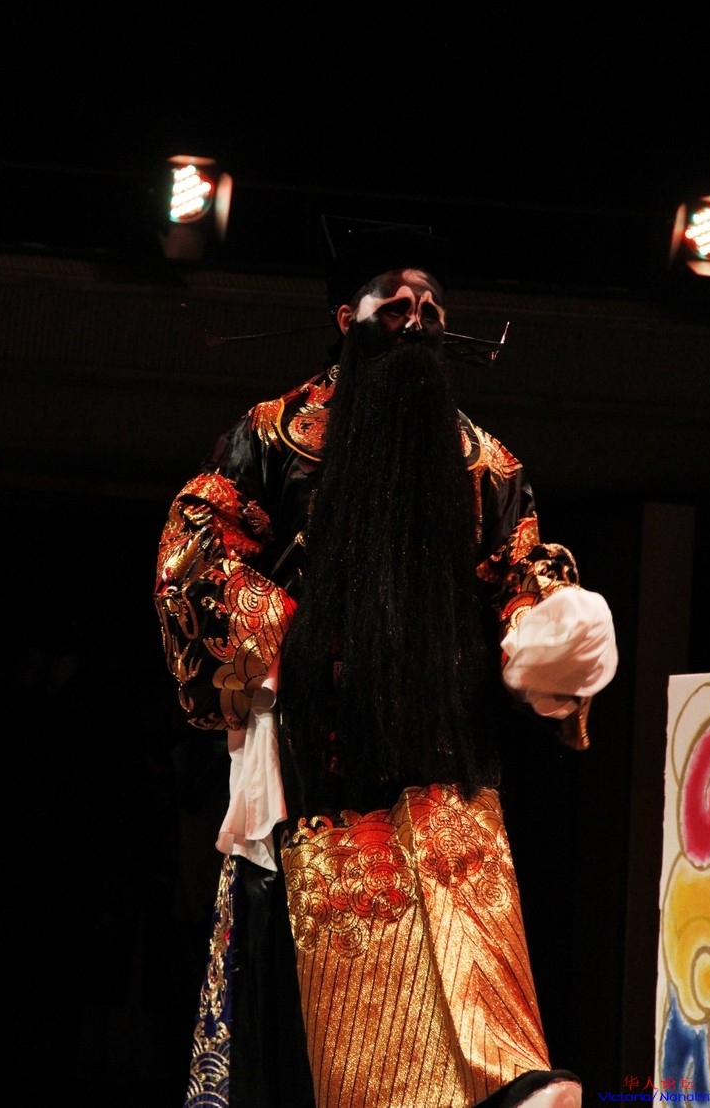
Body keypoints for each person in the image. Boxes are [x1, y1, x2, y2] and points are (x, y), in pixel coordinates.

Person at [154, 219, 618, 1108]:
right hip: (313, 750)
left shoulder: (484, 462)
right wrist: (300, 642)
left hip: (443, 739)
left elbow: (521, 574)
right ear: (348, 318)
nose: (418, 319)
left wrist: (549, 634)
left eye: (432, 308)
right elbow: (194, 550)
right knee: (334, 948)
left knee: (463, 895)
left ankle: (510, 1083)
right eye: (396, 305)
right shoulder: (276, 434)